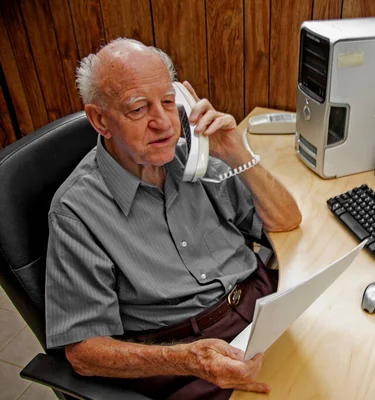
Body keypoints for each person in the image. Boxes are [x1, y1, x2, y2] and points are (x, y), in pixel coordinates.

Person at [45, 38, 302, 399]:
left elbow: (286, 219)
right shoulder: (76, 212)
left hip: (262, 306)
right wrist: (187, 359)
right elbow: (83, 353)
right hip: (183, 355)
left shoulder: (198, 160)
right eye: (138, 109)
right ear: (100, 120)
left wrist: (236, 151)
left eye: (168, 101)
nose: (164, 123)